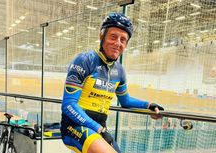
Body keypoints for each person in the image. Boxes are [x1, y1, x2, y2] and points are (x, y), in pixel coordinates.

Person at [60, 12, 164, 153]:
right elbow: (68, 105)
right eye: (113, 37)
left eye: (123, 40)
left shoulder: (119, 71)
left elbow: (125, 100)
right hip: (74, 126)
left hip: (99, 127)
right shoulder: (85, 60)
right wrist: (99, 129)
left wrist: (148, 105)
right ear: (101, 36)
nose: (118, 43)